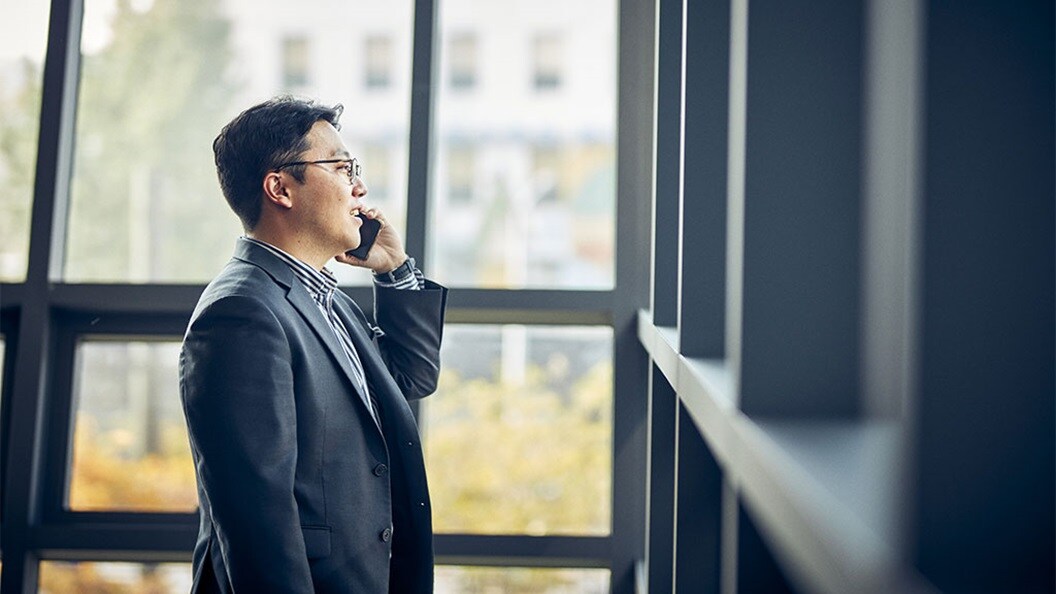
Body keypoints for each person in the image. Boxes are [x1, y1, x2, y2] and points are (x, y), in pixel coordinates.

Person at [179, 96, 447, 593]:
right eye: (343, 167)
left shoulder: (323, 297)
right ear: (280, 187)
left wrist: (396, 271)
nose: (359, 187)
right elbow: (257, 520)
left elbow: (411, 379)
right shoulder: (241, 313)